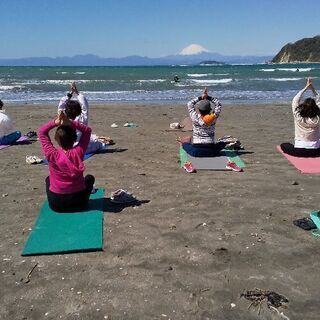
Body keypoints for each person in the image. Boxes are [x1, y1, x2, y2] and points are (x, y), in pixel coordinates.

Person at [39, 111, 95, 212]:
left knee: (48, 179)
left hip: (56, 205)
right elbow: (87, 131)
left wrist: (56, 122)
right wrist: (69, 122)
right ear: (74, 139)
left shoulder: (51, 154)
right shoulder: (78, 152)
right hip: (79, 203)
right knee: (89, 178)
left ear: (57, 139)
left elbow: (42, 132)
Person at [58, 82, 113, 154]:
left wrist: (71, 93)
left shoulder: (62, 118)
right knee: (99, 145)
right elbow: (84, 106)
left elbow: (61, 105)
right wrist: (76, 92)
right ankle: (101, 140)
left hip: (66, 148)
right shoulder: (82, 119)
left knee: (91, 139)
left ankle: (99, 139)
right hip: (79, 148)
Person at [178, 88, 226, 157]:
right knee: (222, 144)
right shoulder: (213, 117)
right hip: (211, 150)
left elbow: (190, 104)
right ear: (210, 110)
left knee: (185, 145)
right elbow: (218, 104)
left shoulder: (195, 117)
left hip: (197, 151)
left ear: (199, 110)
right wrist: (208, 97)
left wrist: (201, 97)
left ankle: (184, 142)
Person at [280, 78, 320, 157]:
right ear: (315, 108)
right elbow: (319, 100)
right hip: (316, 151)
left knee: (284, 145)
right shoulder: (318, 118)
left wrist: (305, 88)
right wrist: (312, 89)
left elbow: (295, 100)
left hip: (299, 151)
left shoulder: (298, 116)